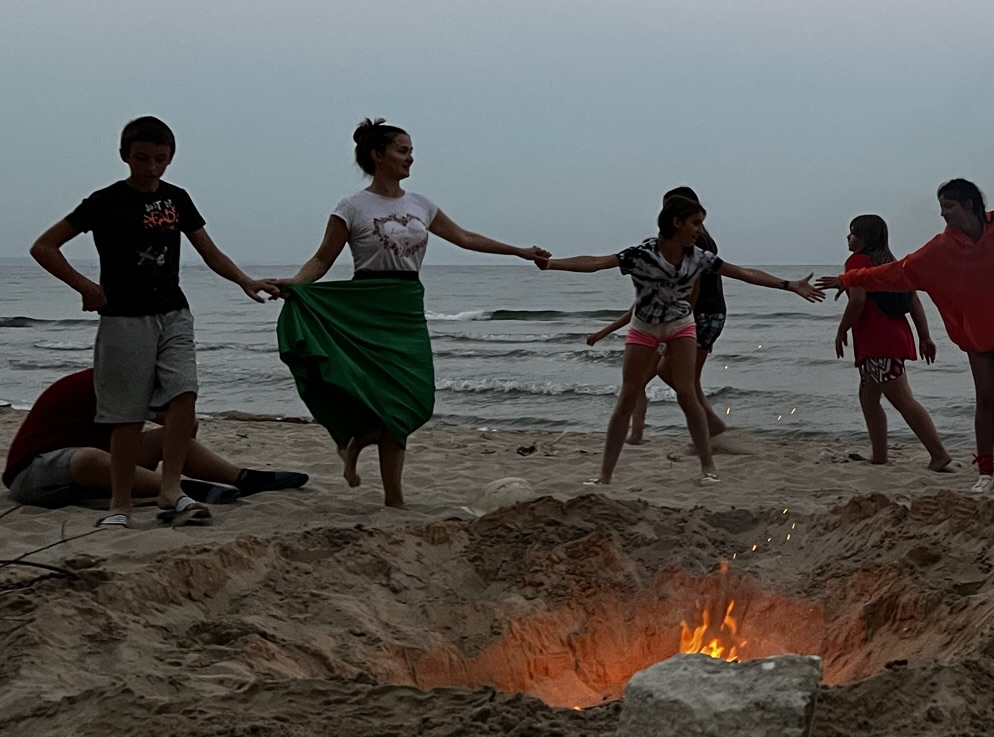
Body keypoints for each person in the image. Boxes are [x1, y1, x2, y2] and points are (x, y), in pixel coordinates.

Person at [258, 119, 549, 509]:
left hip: (406, 307)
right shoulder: (351, 207)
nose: (410, 158)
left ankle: (359, 442)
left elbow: (465, 238)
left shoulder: (420, 204)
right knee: (381, 400)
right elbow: (323, 259)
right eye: (402, 150)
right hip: (365, 308)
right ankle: (394, 500)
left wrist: (519, 251)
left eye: (411, 151)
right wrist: (295, 284)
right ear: (378, 155)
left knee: (413, 397)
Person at [28, 115, 278, 528]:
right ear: (125, 156)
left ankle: (171, 488)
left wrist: (244, 281)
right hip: (124, 317)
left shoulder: (176, 199)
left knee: (185, 394)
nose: (152, 167)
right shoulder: (105, 201)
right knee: (126, 414)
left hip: (174, 311)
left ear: (170, 157)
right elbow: (44, 247)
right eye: (142, 158)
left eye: (161, 159)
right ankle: (120, 504)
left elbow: (209, 250)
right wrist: (86, 287)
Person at [821, 179, 994, 496]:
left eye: (948, 206)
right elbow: (901, 271)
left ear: (969, 205)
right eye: (941, 207)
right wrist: (850, 279)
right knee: (986, 397)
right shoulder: (942, 248)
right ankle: (985, 471)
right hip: (974, 329)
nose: (942, 214)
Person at [541, 190, 823, 485]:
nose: (700, 230)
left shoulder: (699, 257)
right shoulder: (642, 254)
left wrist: (788, 285)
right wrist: (551, 264)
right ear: (677, 222)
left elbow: (742, 273)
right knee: (627, 396)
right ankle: (604, 476)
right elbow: (597, 262)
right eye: (696, 223)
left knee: (687, 394)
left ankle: (708, 469)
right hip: (644, 328)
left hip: (681, 326)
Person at [4, 370, 307, 510]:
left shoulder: (130, 385)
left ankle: (241, 477)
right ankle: (180, 488)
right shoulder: (110, 384)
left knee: (167, 436)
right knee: (88, 458)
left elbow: (183, 428)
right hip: (32, 476)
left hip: (91, 473)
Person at [585, 188, 731, 446]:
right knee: (662, 378)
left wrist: (686, 324)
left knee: (674, 377)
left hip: (696, 315)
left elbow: (693, 288)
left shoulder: (692, 243)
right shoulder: (698, 241)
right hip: (706, 314)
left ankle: (711, 425)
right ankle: (651, 432)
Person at [833, 214, 950, 469]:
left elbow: (858, 301)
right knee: (868, 398)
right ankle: (879, 456)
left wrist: (841, 331)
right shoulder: (891, 264)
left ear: (865, 238)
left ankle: (939, 454)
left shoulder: (856, 261)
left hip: (878, 341)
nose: (848, 237)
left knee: (902, 399)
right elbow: (914, 301)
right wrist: (924, 336)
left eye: (853, 232)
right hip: (893, 337)